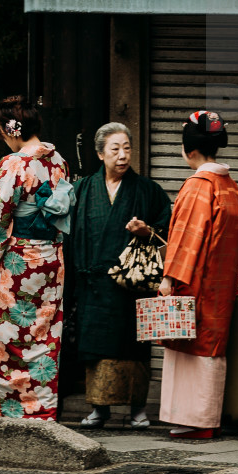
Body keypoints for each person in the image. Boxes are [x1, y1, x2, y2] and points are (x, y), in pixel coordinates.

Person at [0, 95, 71, 420]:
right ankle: (42, 409)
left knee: (9, 334)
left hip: (20, 261)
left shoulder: (14, 164)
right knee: (44, 333)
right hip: (51, 259)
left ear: (9, 129)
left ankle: (13, 409)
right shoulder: (59, 161)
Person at [71, 122, 172, 430]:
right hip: (95, 283)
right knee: (96, 346)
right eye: (115, 149)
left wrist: (147, 231)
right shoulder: (84, 189)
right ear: (101, 153)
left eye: (127, 148)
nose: (123, 155)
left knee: (134, 345)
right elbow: (71, 233)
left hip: (133, 284)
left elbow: (167, 227)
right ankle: (99, 409)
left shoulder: (147, 190)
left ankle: (137, 408)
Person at [157, 110, 238, 439]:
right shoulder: (228, 186)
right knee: (211, 349)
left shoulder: (198, 185)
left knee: (190, 350)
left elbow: (186, 236)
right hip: (222, 284)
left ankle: (196, 421)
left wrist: (169, 278)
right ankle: (205, 418)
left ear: (189, 150)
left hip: (196, 282)